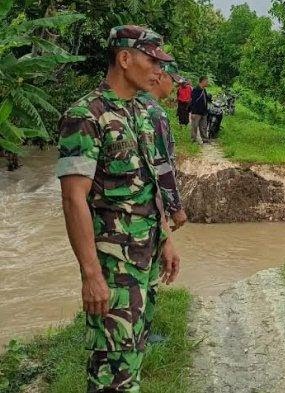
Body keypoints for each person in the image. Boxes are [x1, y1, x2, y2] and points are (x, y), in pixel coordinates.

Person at [56, 25, 181, 392]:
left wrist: (166, 239)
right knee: (113, 370)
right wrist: (91, 275)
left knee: (134, 353)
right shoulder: (85, 116)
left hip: (146, 255)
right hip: (113, 268)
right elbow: (72, 199)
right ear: (124, 59)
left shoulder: (142, 111)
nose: (158, 68)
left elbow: (151, 182)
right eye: (152, 59)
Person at [138, 61, 188, 231]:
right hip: (152, 201)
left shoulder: (132, 103)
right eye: (172, 81)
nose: (173, 87)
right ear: (160, 78)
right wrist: (175, 208)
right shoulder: (156, 113)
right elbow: (162, 164)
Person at [189, 76, 211, 144]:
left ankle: (205, 139)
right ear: (203, 81)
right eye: (206, 81)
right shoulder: (196, 89)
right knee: (194, 126)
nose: (207, 83)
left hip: (203, 111)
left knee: (203, 127)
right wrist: (192, 112)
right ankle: (193, 140)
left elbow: (205, 99)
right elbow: (193, 101)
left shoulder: (204, 89)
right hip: (196, 112)